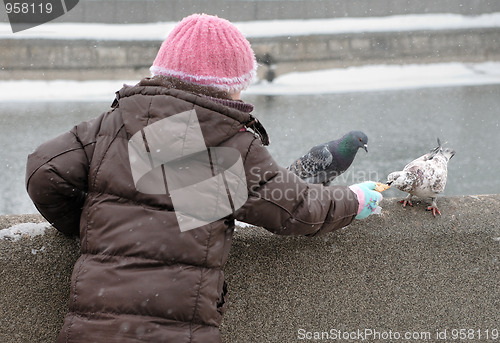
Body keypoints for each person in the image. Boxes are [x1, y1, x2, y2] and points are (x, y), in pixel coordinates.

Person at [25, 14, 382, 343]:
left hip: (92, 329)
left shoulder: (109, 126)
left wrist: (90, 227)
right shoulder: (230, 143)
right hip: (178, 329)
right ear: (230, 87)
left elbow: (44, 171)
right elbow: (298, 209)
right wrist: (354, 200)